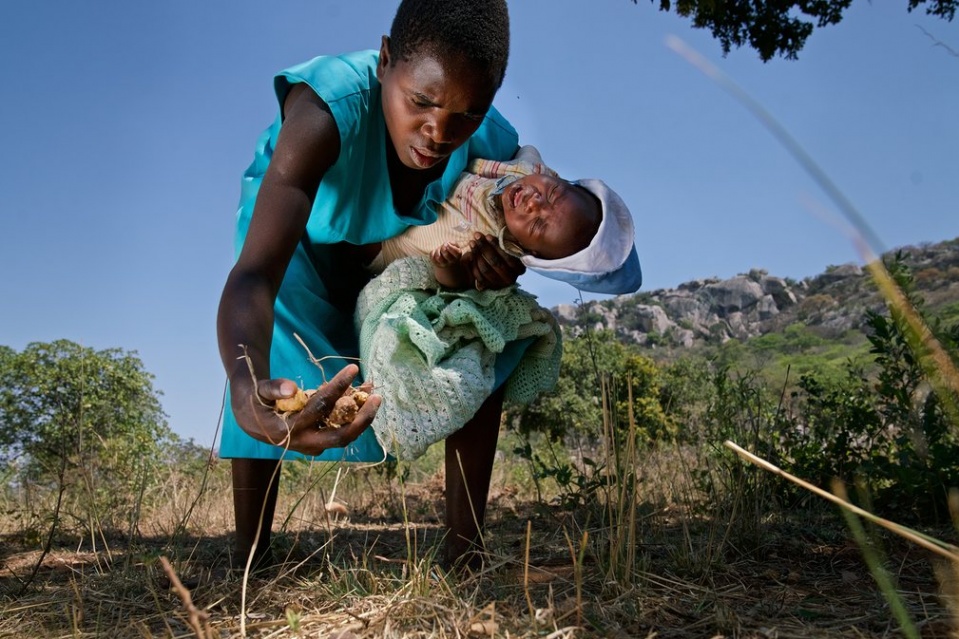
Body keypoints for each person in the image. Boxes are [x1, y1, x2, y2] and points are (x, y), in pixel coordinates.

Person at [216, 0, 524, 569]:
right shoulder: (324, 112)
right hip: (299, 246)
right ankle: (249, 557)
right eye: (421, 102)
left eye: (467, 115)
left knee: (482, 317)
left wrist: (491, 269)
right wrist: (243, 379)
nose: (438, 133)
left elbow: (555, 234)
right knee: (273, 354)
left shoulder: (495, 153)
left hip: (401, 261)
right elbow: (257, 273)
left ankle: (465, 555)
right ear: (385, 60)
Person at [356, 145, 642, 460]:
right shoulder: (528, 171)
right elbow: (521, 150)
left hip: (388, 242)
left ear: (525, 250)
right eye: (554, 193)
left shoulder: (487, 246)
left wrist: (449, 266)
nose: (534, 203)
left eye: (537, 225)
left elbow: (455, 284)